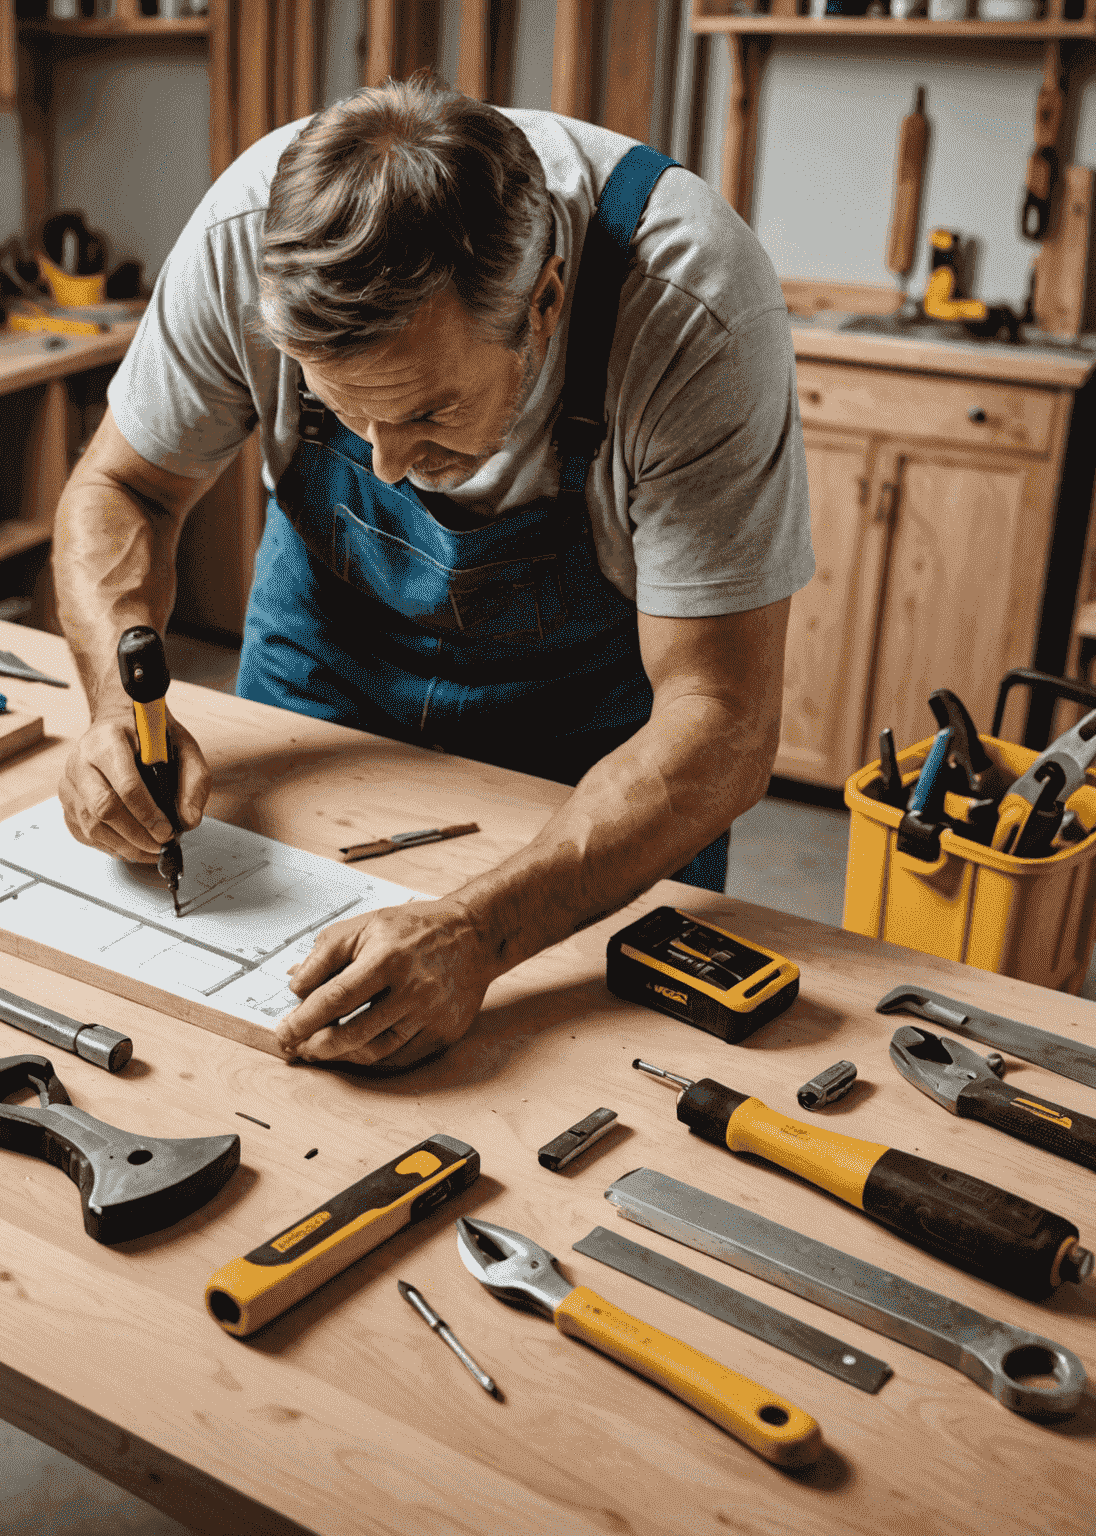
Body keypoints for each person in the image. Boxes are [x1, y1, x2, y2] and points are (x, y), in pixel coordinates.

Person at [52, 76, 813, 1071]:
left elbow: (720, 717)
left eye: (429, 414)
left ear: (543, 303)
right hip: (327, 653)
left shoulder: (688, 307)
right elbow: (125, 490)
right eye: (345, 415)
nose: (387, 466)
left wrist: (480, 932)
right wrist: (116, 706)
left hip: (591, 725)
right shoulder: (244, 238)